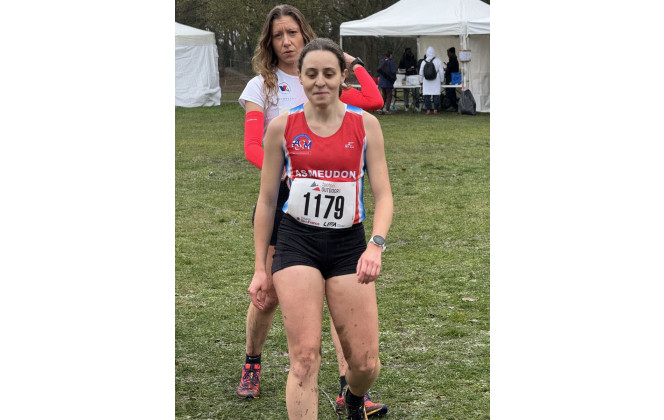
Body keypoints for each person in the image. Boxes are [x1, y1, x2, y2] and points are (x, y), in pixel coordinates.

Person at [237, 4, 388, 417]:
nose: (286, 41)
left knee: (353, 330)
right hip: (287, 209)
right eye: (277, 35)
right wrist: (291, 170)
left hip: (342, 229)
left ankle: (349, 388)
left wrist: (355, 64)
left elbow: (372, 101)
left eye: (292, 32)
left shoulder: (328, 78)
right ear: (270, 43)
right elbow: (253, 147)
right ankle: (252, 359)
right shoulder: (262, 87)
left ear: (304, 35)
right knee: (269, 299)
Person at [419, 46, 444, 115]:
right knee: (436, 95)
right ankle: (435, 109)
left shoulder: (423, 62)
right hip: (436, 80)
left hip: (426, 81)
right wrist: (442, 80)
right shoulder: (438, 61)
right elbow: (441, 72)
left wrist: (421, 81)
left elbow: (421, 73)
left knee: (427, 95)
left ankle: (428, 110)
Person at [444, 47, 460, 111]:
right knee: (452, 91)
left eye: (448, 53)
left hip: (451, 78)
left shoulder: (453, 60)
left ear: (452, 53)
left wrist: (446, 69)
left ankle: (452, 105)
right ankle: (453, 105)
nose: (447, 54)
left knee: (451, 92)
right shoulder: (453, 59)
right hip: (453, 77)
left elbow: (450, 69)